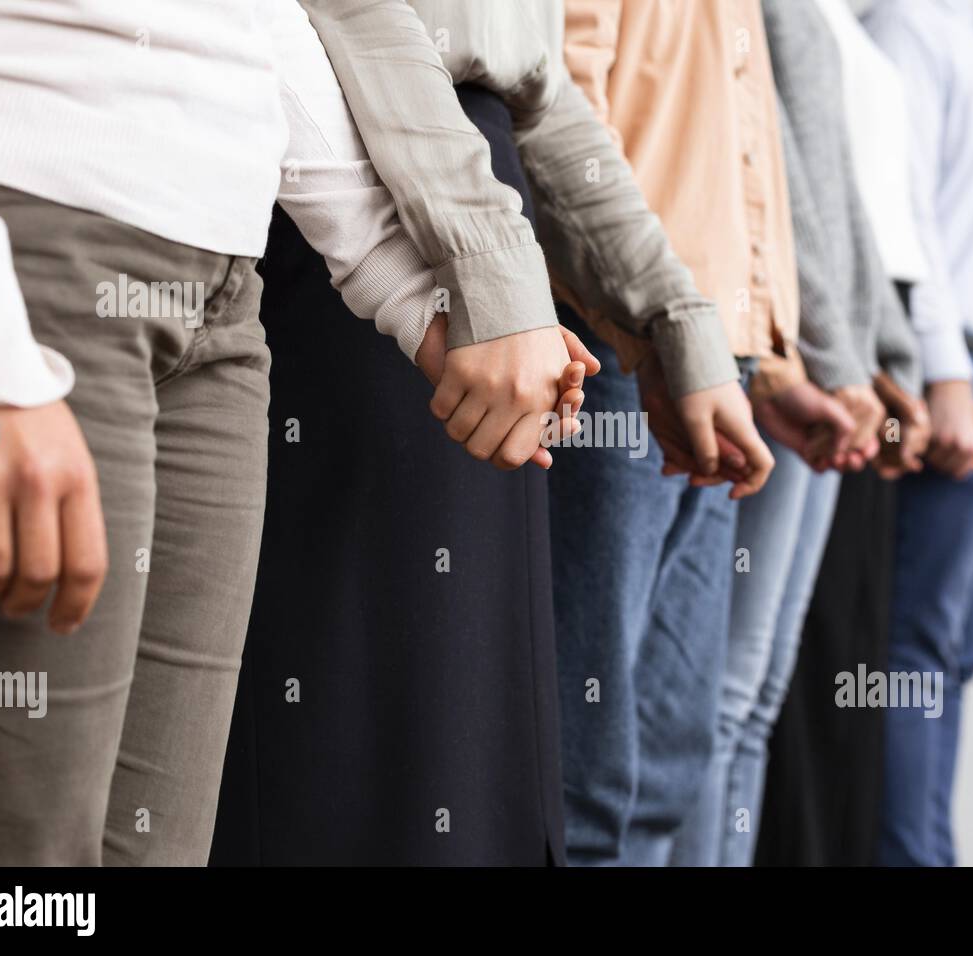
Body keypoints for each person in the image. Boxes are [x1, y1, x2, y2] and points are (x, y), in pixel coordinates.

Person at [0, 0, 581, 866]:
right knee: (24, 866)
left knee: (155, 852)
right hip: (38, 247)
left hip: (221, 293)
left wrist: (403, 283)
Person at [211, 0, 773, 866]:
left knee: (481, 781)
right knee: (365, 772)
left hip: (476, 237)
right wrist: (482, 263)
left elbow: (535, 85)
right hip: (363, 214)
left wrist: (669, 314)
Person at [553, 0, 869, 867]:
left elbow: (746, 172)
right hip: (620, 346)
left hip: (716, 365)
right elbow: (559, 102)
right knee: (586, 768)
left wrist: (768, 368)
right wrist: (661, 327)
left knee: (669, 760)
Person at [864, 0, 973, 866]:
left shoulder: (966, 35)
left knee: (950, 657)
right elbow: (902, 209)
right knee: (915, 661)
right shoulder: (908, 26)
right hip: (958, 376)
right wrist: (946, 374)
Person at [756, 0, 935, 868]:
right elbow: (788, 180)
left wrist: (885, 364)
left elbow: (864, 209)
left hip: (835, 344)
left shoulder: (847, 28)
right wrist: (837, 359)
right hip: (790, 338)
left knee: (758, 696)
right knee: (740, 699)